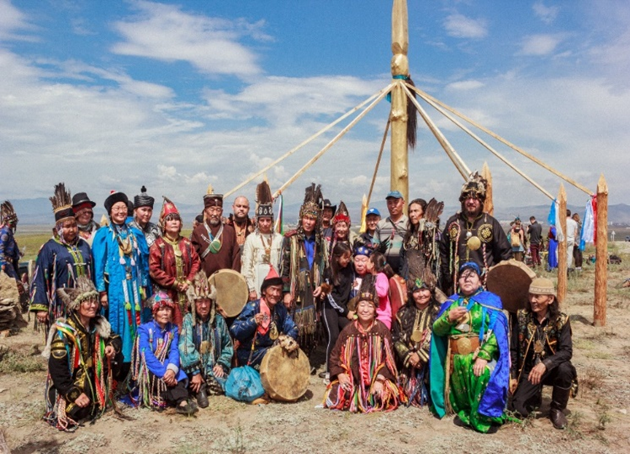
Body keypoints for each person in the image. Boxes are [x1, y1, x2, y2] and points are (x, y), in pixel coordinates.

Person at [430, 261, 510, 433]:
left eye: (471, 276)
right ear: (458, 282)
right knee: (460, 393)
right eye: (462, 277)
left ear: (480, 281)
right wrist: (448, 318)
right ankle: (465, 413)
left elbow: (499, 333)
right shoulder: (451, 303)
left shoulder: (490, 302)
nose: (466, 280)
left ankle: (482, 417)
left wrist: (484, 355)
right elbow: (437, 330)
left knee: (482, 375)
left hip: (477, 355)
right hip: (455, 358)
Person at [43, 276, 122, 431]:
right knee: (79, 411)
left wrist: (111, 346)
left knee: (120, 358)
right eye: (88, 302)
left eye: (95, 301)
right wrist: (74, 394)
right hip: (73, 383)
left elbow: (115, 337)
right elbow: (57, 370)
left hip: (93, 379)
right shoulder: (65, 332)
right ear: (77, 305)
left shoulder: (99, 323)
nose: (93, 306)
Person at [323, 279, 405, 413]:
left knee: (385, 395)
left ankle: (373, 391)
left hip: (376, 379)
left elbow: (390, 360)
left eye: (369, 306)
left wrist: (380, 379)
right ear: (356, 308)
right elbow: (334, 356)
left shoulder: (382, 331)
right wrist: (340, 374)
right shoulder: (348, 331)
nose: (365, 310)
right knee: (337, 395)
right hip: (353, 380)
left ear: (375, 310)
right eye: (362, 305)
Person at [92, 191, 150, 367]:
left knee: (137, 318)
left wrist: (145, 285)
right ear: (110, 212)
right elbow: (99, 265)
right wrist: (102, 291)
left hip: (135, 288)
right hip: (115, 290)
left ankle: (138, 359)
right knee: (119, 320)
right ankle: (119, 361)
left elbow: (143, 263)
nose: (120, 211)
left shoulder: (135, 234)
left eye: (123, 208)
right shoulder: (104, 235)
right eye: (116, 208)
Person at [510, 278, 576, 430]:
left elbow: (567, 351)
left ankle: (557, 409)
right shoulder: (521, 317)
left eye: (537, 297)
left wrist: (545, 364)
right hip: (529, 371)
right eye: (531, 295)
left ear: (550, 299)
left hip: (551, 369)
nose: (533, 300)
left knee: (565, 368)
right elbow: (513, 349)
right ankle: (535, 394)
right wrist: (513, 376)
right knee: (520, 410)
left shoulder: (561, 320)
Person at [30, 183, 93, 332]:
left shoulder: (84, 245)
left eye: (73, 225)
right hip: (60, 305)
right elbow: (39, 277)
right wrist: (41, 307)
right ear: (58, 228)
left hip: (84, 304)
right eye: (66, 226)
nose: (71, 229)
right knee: (61, 341)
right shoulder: (50, 248)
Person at [439, 172, 512, 295]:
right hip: (457, 285)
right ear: (463, 200)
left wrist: (496, 279)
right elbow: (444, 252)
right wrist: (448, 278)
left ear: (481, 201)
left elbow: (505, 254)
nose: (471, 201)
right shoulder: (453, 223)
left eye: (475, 198)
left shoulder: (491, 223)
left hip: (484, 285)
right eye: (467, 198)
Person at [131, 292, 197, 415]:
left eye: (168, 309)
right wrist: (164, 373)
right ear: (154, 312)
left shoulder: (172, 329)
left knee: (179, 374)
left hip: (167, 366)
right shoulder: (144, 329)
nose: (165, 313)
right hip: (150, 368)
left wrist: (172, 370)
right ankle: (180, 400)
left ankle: (182, 403)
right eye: (161, 310)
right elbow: (146, 354)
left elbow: (174, 351)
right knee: (163, 379)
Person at [280, 183, 328, 351]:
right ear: (301, 217)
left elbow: (325, 269)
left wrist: (322, 287)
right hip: (296, 289)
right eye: (306, 218)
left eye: (312, 219)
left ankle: (307, 354)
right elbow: (285, 267)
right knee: (294, 323)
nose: (308, 222)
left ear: (317, 221)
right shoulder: (291, 239)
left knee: (311, 324)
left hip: (313, 290)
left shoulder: (320, 242)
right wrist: (286, 292)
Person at [179, 272, 233, 407]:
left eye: (206, 301)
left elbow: (228, 345)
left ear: (211, 302)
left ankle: (201, 387)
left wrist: (221, 363)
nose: (203, 306)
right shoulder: (188, 320)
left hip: (213, 369)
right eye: (199, 301)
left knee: (224, 386)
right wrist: (196, 372)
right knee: (184, 383)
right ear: (193, 302)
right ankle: (199, 385)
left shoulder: (219, 321)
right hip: (193, 370)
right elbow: (185, 347)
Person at [231, 267, 298, 368]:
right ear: (264, 291)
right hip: (251, 354)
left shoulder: (280, 309)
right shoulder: (253, 307)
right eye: (272, 289)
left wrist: (287, 340)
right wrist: (252, 322)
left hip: (272, 351)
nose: (275, 294)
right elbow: (234, 330)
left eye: (279, 290)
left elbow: (293, 328)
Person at [149, 197, 201, 328]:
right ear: (163, 224)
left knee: (189, 325)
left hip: (188, 293)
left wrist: (188, 281)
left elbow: (196, 262)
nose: (174, 222)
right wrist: (175, 283)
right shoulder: (158, 245)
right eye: (170, 219)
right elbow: (154, 270)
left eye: (176, 219)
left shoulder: (187, 244)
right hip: (167, 295)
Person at [392, 278, 440, 407]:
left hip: (430, 361)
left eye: (424, 290)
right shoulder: (402, 313)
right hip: (409, 362)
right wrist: (409, 356)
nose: (421, 294)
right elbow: (396, 338)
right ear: (411, 294)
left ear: (430, 291)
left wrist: (421, 355)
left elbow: (440, 337)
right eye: (417, 291)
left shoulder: (439, 311)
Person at [241, 181, 284, 301]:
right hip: (256, 285)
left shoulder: (279, 239)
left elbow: (283, 266)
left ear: (272, 221)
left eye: (268, 220)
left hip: (275, 288)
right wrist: (251, 289)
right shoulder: (251, 239)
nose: (265, 223)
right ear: (258, 221)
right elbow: (246, 266)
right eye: (262, 220)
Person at [319, 242, 353, 381]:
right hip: (329, 308)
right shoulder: (329, 272)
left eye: (349, 257)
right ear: (337, 257)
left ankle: (346, 365)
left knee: (349, 331)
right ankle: (329, 370)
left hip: (343, 308)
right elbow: (329, 296)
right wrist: (346, 312)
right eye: (345, 257)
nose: (348, 260)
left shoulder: (349, 268)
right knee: (333, 336)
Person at [191, 187, 241, 278]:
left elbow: (236, 256)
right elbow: (194, 259)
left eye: (218, 210)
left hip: (226, 280)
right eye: (212, 209)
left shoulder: (229, 231)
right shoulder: (198, 232)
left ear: (221, 212)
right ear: (205, 211)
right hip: (206, 281)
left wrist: (234, 277)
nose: (215, 213)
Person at [400, 198, 443, 285]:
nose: (412, 214)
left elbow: (437, 260)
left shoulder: (433, 235)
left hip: (429, 280)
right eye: (410, 211)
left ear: (423, 213)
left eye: (416, 211)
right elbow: (402, 259)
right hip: (410, 281)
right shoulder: (408, 237)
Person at [377, 191, 408, 273]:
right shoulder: (381, 224)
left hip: (404, 269)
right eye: (389, 203)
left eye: (396, 202)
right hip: (384, 270)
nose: (393, 206)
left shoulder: (408, 224)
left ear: (403, 203)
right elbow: (376, 247)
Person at [366, 252, 394, 329]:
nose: (366, 263)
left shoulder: (381, 276)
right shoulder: (372, 277)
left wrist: (369, 288)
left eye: (368, 260)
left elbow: (383, 292)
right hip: (375, 316)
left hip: (383, 317)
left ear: (372, 265)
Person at [0, 200, 21, 281]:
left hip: (10, 262)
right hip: (6, 263)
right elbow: (0, 248)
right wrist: (2, 263)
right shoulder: (5, 233)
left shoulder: (9, 233)